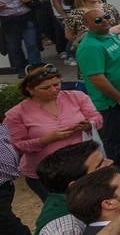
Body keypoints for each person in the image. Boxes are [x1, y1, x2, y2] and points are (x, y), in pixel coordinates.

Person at [5, 66, 101, 199]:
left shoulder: (77, 97)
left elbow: (96, 118)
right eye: (45, 88)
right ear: (30, 90)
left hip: (82, 167)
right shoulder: (16, 114)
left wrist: (88, 125)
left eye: (56, 84)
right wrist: (46, 140)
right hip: (46, 174)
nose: (54, 89)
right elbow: (17, 145)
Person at [74, 6, 120, 171]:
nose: (104, 21)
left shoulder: (110, 36)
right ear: (86, 25)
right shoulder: (90, 47)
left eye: (106, 17)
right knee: (117, 141)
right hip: (113, 105)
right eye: (98, 20)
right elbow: (97, 78)